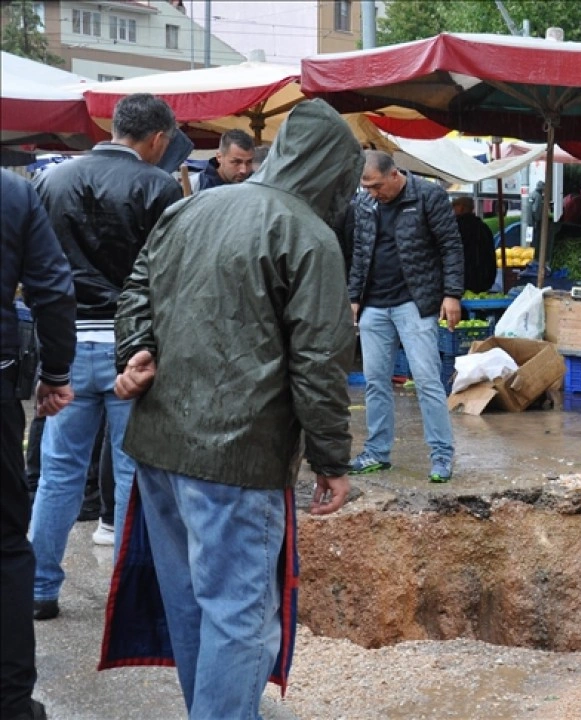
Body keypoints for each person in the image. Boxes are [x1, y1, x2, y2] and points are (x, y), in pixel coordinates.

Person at [108, 99, 360, 718]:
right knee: (240, 618)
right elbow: (318, 363)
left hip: (160, 447)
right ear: (334, 173)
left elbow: (136, 284)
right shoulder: (309, 235)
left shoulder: (193, 206)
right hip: (238, 458)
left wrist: (138, 346)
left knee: (193, 603)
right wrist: (331, 457)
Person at [29, 93, 183, 620]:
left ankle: (39, 588)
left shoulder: (51, 181)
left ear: (113, 126)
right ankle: (130, 598)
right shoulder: (159, 185)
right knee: (133, 475)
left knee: (58, 475)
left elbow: (39, 273)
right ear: (159, 139)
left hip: (66, 347)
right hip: (130, 350)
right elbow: (168, 276)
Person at [1, 170, 76, 720]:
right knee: (5, 543)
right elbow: (52, 288)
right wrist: (55, 369)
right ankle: (10, 701)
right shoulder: (12, 191)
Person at [348, 151, 465, 481]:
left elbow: (451, 246)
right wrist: (354, 297)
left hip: (416, 302)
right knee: (375, 381)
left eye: (376, 185)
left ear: (394, 175)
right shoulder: (364, 204)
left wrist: (452, 293)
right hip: (373, 304)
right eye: (366, 186)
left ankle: (441, 455)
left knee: (427, 380)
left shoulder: (429, 196)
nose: (371, 192)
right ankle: (376, 452)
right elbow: (359, 252)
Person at [452, 196, 498, 294]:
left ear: (461, 208)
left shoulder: (456, 227)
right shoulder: (483, 227)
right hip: (484, 278)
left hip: (462, 278)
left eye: (454, 206)